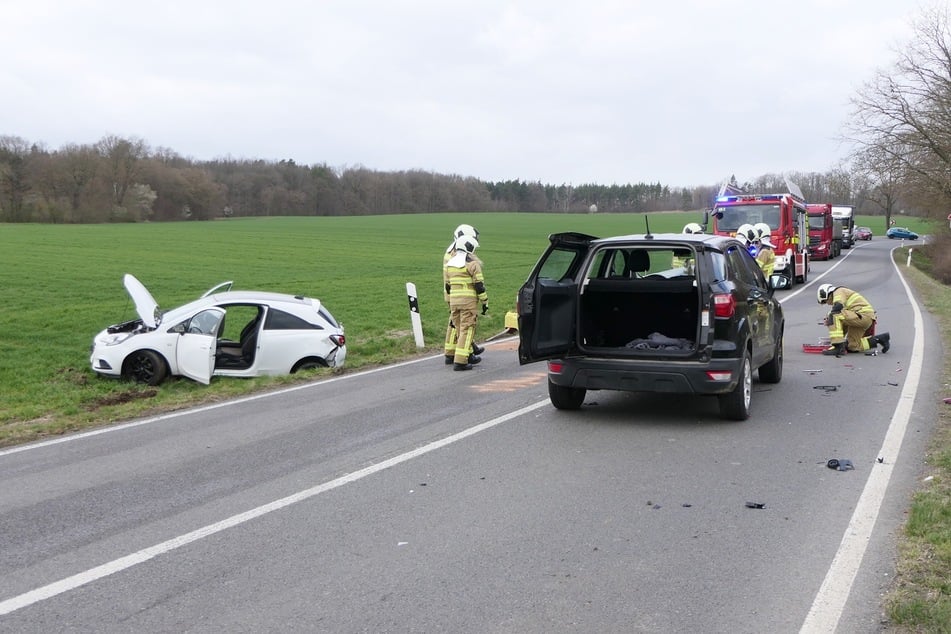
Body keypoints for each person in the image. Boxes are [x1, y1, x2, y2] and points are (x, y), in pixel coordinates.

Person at [445, 236, 488, 370]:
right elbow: (479, 285)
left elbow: (447, 286)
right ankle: (460, 361)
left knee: (459, 329)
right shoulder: (472, 264)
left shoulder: (450, 265)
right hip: (468, 303)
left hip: (454, 303)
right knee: (467, 330)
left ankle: (468, 356)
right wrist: (485, 301)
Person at [817, 283, 890, 356]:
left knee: (833, 315)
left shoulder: (838, 291)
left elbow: (838, 307)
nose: (827, 303)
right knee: (852, 346)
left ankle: (838, 347)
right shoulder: (841, 296)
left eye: (824, 301)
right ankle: (880, 339)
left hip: (863, 315)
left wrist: (830, 319)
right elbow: (843, 320)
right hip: (861, 318)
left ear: (826, 294)